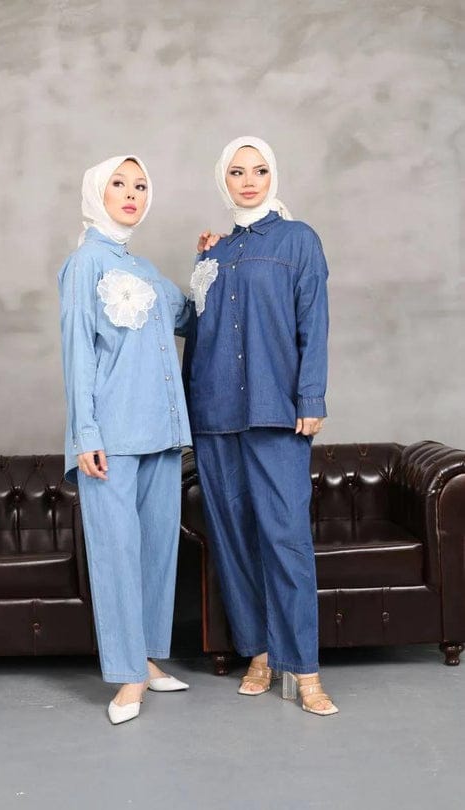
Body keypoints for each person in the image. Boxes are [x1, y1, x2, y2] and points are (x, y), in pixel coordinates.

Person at [183, 136, 338, 715]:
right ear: (222, 180)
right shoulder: (213, 254)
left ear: (274, 176)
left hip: (277, 412)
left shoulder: (299, 240)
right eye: (237, 172)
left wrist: (311, 395)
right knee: (233, 538)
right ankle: (260, 653)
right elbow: (199, 334)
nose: (249, 181)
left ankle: (305, 668)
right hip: (215, 415)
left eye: (259, 170)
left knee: (286, 537)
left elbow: (313, 321)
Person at [58, 155, 192, 725]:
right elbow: (77, 349)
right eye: (119, 183)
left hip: (162, 430)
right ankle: (127, 674)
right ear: (98, 191)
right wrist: (85, 432)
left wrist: (214, 262)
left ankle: (147, 657)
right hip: (111, 435)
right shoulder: (84, 263)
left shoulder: (145, 268)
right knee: (116, 553)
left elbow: (189, 317)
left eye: (140, 185)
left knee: (157, 550)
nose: (131, 193)